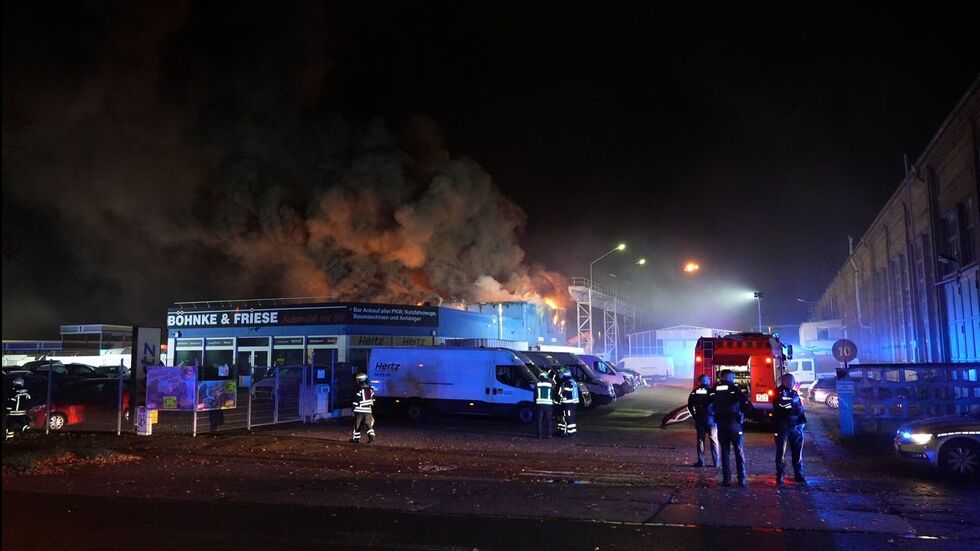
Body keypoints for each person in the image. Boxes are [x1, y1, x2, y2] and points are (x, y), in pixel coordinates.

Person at [709, 369, 754, 487]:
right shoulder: (735, 388)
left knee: (724, 452)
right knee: (738, 451)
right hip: (734, 424)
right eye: (732, 377)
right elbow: (746, 403)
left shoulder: (715, 389)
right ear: (728, 377)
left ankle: (726, 479)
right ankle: (741, 479)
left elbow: (709, 403)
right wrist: (745, 414)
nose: (733, 379)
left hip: (721, 424)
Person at [773, 372, 808, 485]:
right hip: (783, 426)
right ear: (787, 381)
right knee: (781, 452)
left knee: (797, 452)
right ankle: (780, 476)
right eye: (793, 381)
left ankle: (798, 474)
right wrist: (792, 402)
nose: (794, 383)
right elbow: (781, 406)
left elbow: (800, 409)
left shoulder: (794, 393)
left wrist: (802, 422)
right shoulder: (778, 392)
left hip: (796, 426)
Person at [687, 374, 719, 468]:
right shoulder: (712, 391)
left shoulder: (694, 392)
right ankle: (716, 463)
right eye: (708, 379)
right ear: (707, 381)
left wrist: (694, 415)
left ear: (700, 382)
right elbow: (717, 404)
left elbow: (689, 405)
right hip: (711, 419)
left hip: (699, 419)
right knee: (714, 441)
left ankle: (701, 462)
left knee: (700, 441)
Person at [350, 372, 376, 443]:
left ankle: (356, 439)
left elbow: (356, 400)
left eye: (358, 380)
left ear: (360, 380)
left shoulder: (359, 389)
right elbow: (373, 400)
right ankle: (372, 437)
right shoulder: (370, 389)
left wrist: (353, 409)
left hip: (359, 410)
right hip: (368, 410)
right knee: (368, 424)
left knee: (357, 425)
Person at [556, 369, 578, 437]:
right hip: (572, 403)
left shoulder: (567, 383)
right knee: (570, 417)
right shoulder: (572, 382)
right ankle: (570, 432)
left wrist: (559, 397)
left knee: (568, 418)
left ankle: (571, 433)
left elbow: (565, 393)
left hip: (568, 404)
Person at [534, 372, 554, 439]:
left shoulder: (537, 384)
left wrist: (535, 403)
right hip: (548, 404)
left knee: (539, 420)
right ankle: (549, 435)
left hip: (540, 404)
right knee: (549, 420)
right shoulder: (550, 384)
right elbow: (552, 394)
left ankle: (539, 435)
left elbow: (535, 395)